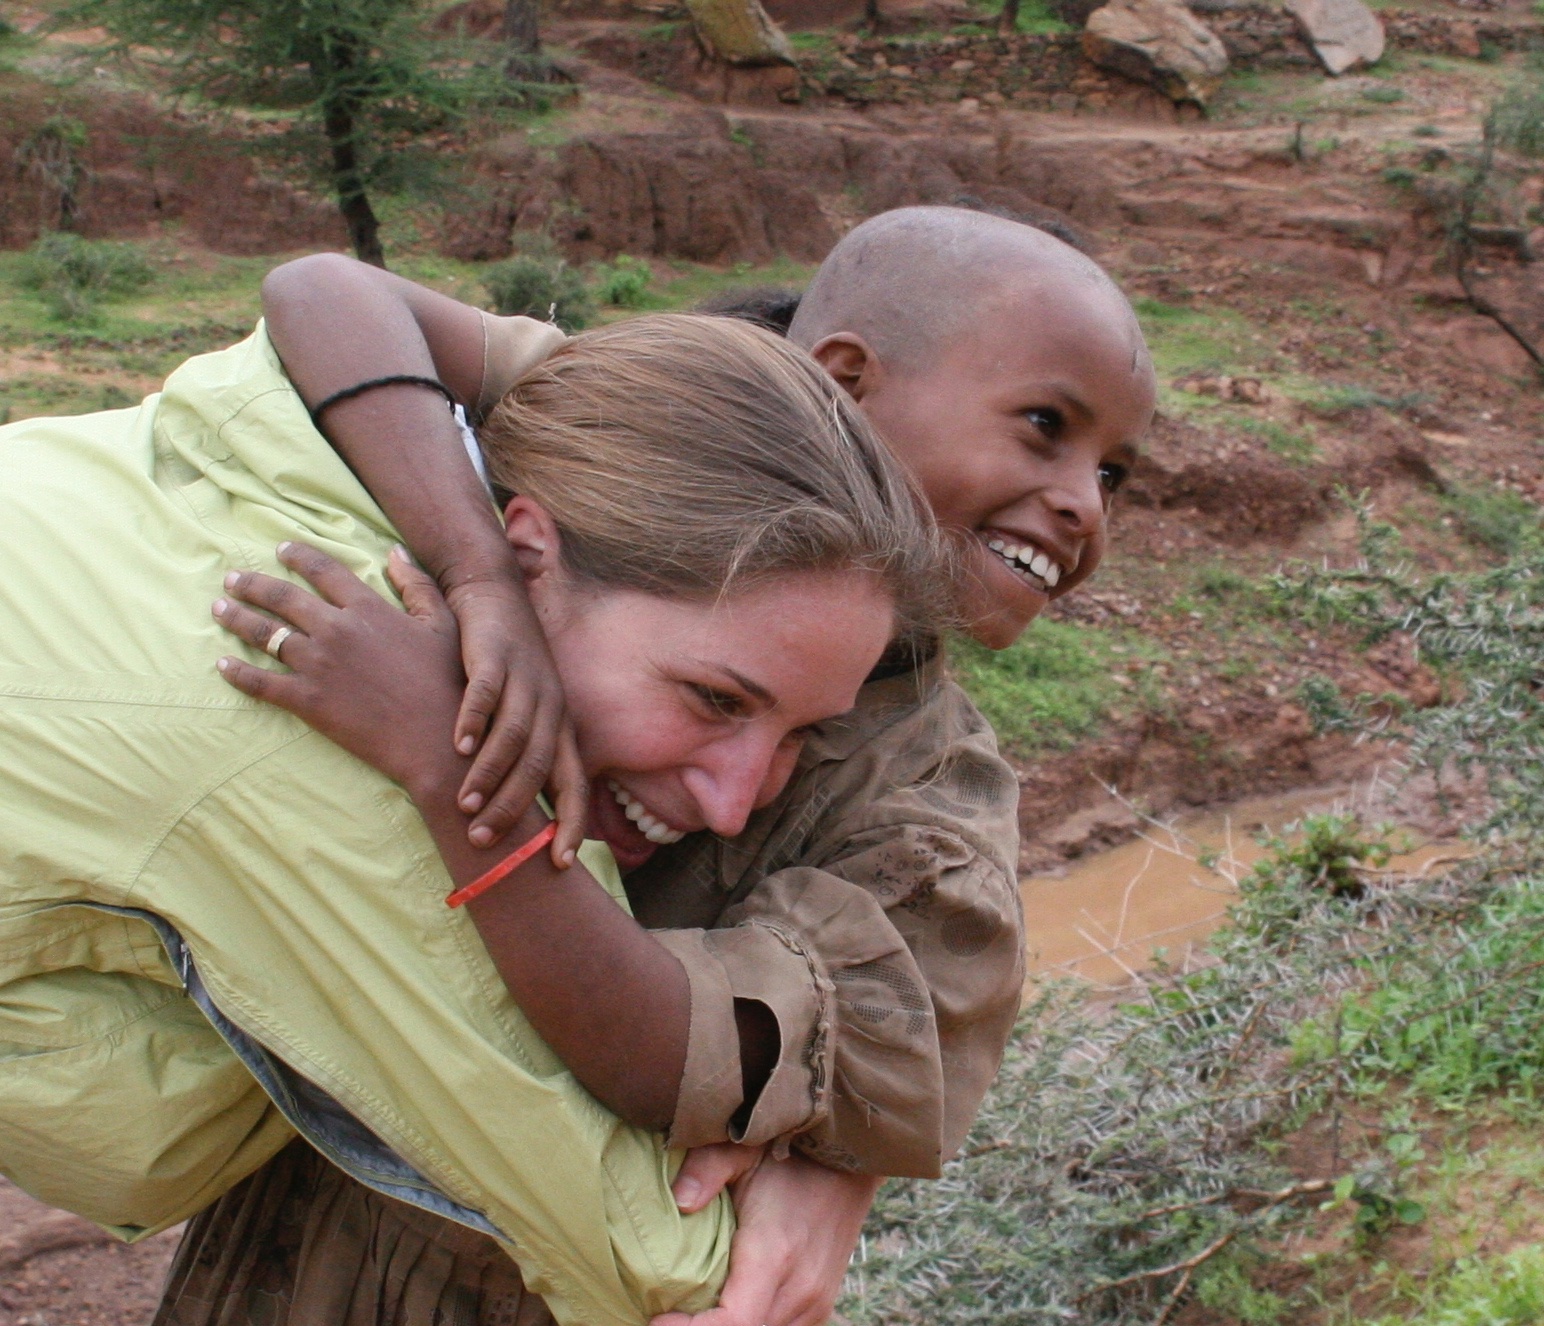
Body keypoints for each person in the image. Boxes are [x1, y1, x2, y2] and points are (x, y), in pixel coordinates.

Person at [152, 204, 1158, 1326]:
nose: (1084, 505)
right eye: (1043, 427)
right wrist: (478, 574)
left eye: (1114, 474)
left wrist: (838, 1165)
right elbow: (325, 293)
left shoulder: (926, 797)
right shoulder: (646, 429)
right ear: (843, 379)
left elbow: (805, 1055)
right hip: (290, 1226)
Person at [0, 313, 945, 1326]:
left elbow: (328, 296)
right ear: (527, 556)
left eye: (804, 733)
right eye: (713, 699)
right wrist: (811, 1172)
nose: (735, 802)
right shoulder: (348, 738)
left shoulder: (290, 448)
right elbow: (668, 1267)